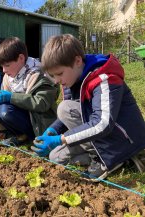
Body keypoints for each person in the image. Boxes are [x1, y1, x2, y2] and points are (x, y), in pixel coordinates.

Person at [32, 34, 145, 181]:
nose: (57, 80)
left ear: (78, 61)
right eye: (53, 75)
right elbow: (77, 111)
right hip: (100, 138)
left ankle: (110, 157)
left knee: (64, 108)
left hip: (124, 139)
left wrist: (61, 139)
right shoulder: (72, 79)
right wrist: (54, 129)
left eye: (59, 73)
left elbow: (102, 124)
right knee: (55, 156)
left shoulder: (104, 78)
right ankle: (114, 159)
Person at [0, 37, 59, 145]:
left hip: (39, 121)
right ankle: (18, 134)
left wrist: (10, 97)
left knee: (5, 111)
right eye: (2, 66)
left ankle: (29, 135)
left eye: (7, 65)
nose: (4, 70)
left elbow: (41, 103)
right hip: (24, 115)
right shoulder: (10, 76)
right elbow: (5, 94)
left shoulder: (38, 74)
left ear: (21, 58)